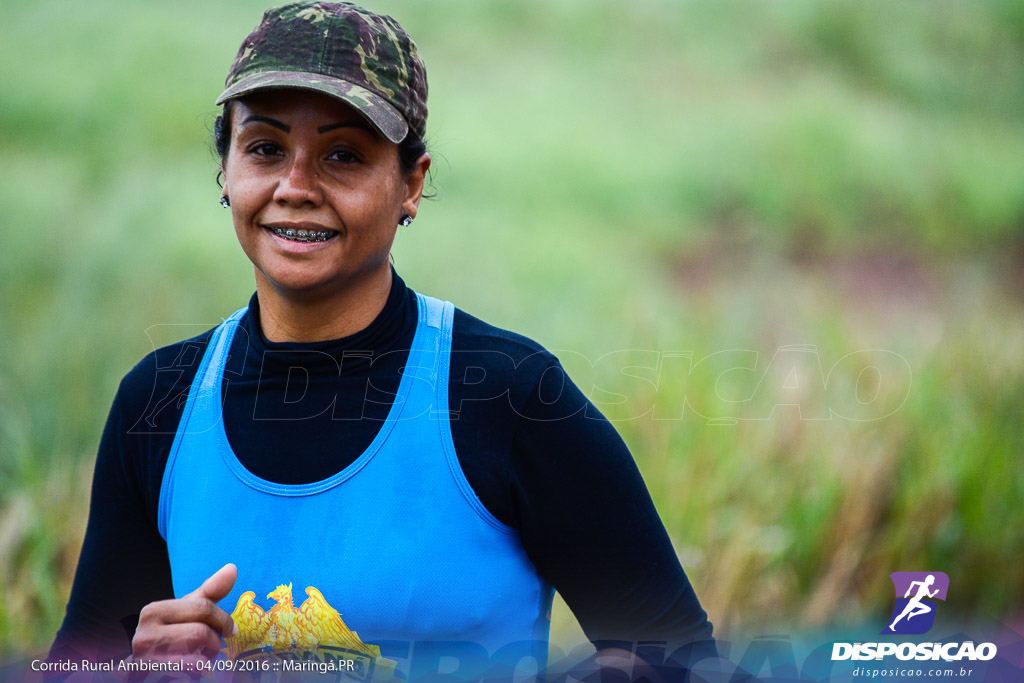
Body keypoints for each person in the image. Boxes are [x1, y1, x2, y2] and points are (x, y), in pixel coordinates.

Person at [49, 2, 714, 679]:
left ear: (411, 184)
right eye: (265, 148)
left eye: (343, 155)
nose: (295, 187)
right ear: (226, 167)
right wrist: (130, 668)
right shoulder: (158, 402)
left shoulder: (509, 397)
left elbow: (683, 655)